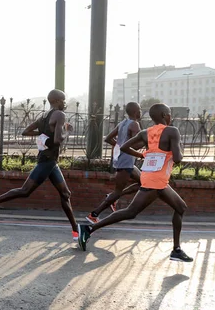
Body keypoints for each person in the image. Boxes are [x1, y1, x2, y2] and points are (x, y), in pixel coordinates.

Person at [78, 103, 193, 262]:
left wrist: (143, 156)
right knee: (130, 212)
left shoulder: (146, 132)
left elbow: (124, 146)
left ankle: (176, 250)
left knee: (181, 207)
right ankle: (88, 229)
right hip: (156, 181)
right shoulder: (172, 131)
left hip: (151, 177)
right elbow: (178, 158)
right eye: (169, 113)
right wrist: (176, 150)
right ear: (165, 115)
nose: (170, 116)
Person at [0, 89, 79, 241]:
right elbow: (58, 140)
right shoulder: (60, 115)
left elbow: (26, 131)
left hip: (51, 161)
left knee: (65, 194)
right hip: (47, 160)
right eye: (63, 100)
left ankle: (76, 230)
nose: (65, 103)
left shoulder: (44, 116)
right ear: (57, 101)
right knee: (25, 191)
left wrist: (44, 135)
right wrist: (66, 130)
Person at [86, 102, 142, 223]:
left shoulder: (122, 123)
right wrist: (148, 140)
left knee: (144, 182)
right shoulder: (135, 125)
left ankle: (114, 198)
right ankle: (94, 214)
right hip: (126, 161)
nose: (141, 111)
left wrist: (120, 145)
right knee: (117, 191)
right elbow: (136, 146)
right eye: (139, 109)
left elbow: (108, 138)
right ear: (135, 112)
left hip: (124, 160)